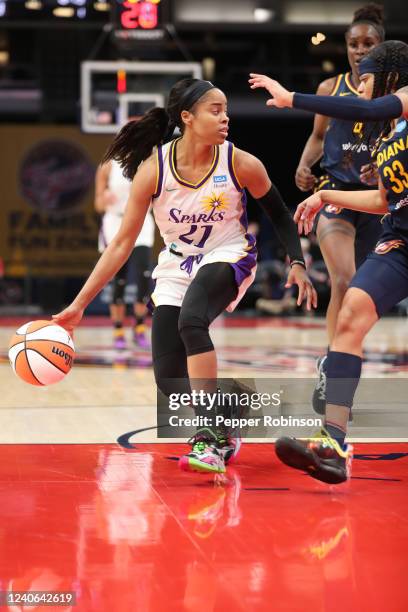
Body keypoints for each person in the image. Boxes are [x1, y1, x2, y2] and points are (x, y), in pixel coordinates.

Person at [52, 78, 316, 475]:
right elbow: (121, 244)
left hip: (230, 254)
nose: (226, 117)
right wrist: (77, 307)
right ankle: (234, 403)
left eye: (226, 109)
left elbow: (279, 212)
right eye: (216, 110)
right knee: (170, 384)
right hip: (178, 262)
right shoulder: (153, 169)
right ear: (187, 117)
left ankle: (209, 436)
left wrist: (297, 261)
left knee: (192, 321)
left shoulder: (239, 162)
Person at [250, 39, 408, 484]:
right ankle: (333, 443)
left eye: (367, 81)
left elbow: (364, 111)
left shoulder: (406, 101)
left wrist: (290, 99)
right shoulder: (393, 131)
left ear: (391, 79)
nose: (360, 91)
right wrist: (324, 194)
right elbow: (382, 198)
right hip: (402, 238)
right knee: (351, 312)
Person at [262, 4, 386, 416]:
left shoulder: (394, 97)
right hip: (333, 195)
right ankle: (334, 369)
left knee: (362, 295)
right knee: (343, 278)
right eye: (354, 44)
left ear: (381, 48)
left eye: (368, 43)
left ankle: (338, 358)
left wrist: (385, 165)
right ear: (346, 48)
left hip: (376, 203)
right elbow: (317, 136)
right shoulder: (332, 89)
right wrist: (302, 164)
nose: (360, 50)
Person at [95, 157, 154, 350]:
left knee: (144, 275)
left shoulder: (149, 162)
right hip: (115, 222)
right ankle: (118, 329)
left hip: (141, 221)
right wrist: (104, 198)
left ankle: (139, 327)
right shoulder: (108, 166)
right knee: (118, 278)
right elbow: (98, 204)